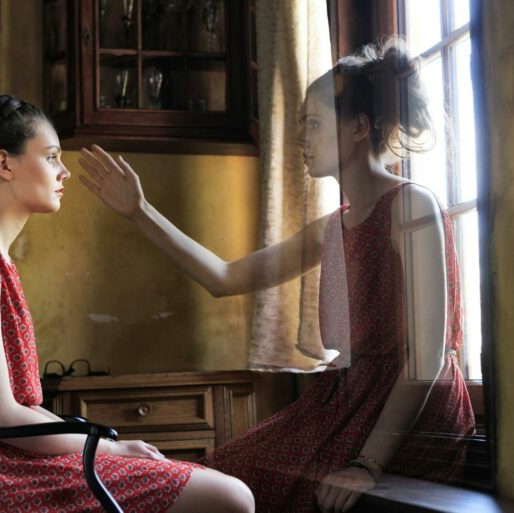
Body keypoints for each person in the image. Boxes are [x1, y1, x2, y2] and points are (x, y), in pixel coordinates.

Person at [78, 38, 475, 513]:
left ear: (358, 127)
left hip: (409, 420)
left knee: (235, 489)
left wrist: (367, 465)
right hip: (347, 404)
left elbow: (427, 360)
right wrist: (140, 211)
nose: (301, 138)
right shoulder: (334, 226)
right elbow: (225, 277)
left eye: (314, 123)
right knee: (211, 479)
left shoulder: (412, 205)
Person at [0, 87, 255, 513]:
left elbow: (16, 410)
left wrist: (103, 442)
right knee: (230, 496)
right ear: (4, 164)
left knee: (224, 488)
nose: (64, 172)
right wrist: (112, 448)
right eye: (51, 157)